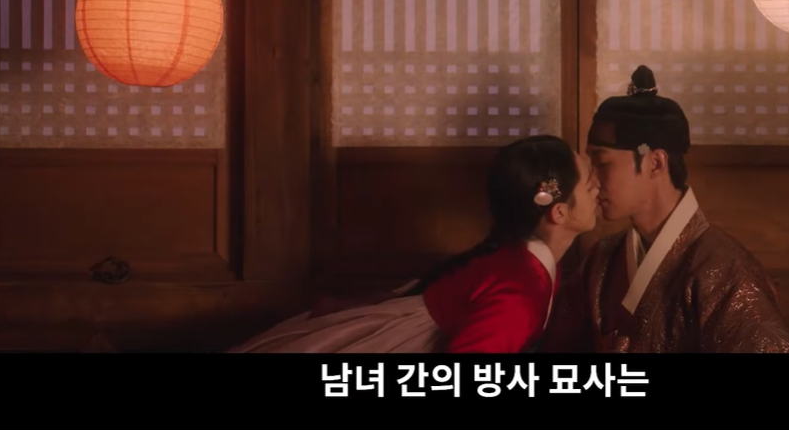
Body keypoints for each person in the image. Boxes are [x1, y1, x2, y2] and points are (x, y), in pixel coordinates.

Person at [228, 134, 599, 353]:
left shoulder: (523, 262)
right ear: (559, 212)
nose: (598, 186)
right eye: (588, 183)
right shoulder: (519, 287)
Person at [542, 65, 789, 353]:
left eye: (602, 163)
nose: (592, 180)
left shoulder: (724, 269)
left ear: (655, 163)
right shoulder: (601, 259)